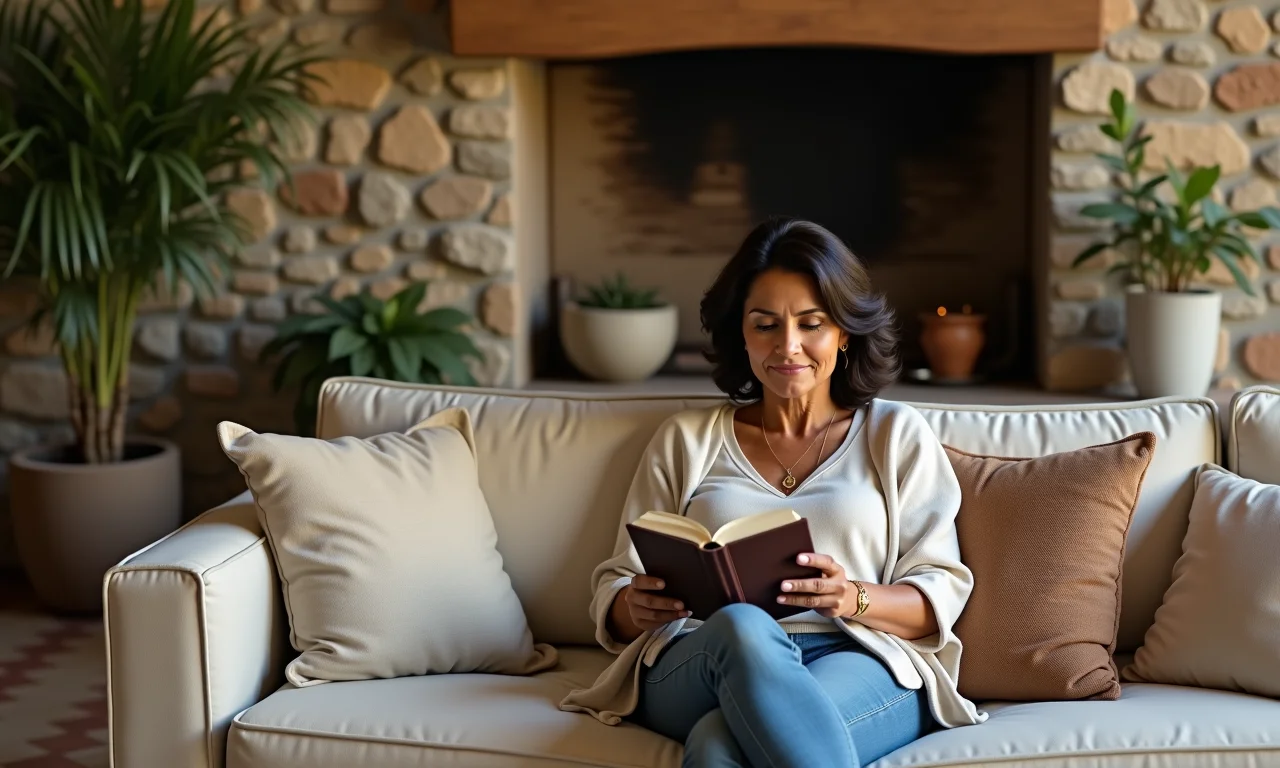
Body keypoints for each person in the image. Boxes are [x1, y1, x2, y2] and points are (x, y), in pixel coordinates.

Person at [560, 217, 987, 767]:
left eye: (812, 324)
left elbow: (940, 591)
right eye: (766, 325)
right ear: (741, 333)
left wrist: (850, 596)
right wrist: (632, 605)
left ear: (844, 333)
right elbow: (614, 586)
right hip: (702, 656)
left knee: (718, 746)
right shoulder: (686, 441)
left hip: (855, 655)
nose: (788, 347)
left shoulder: (894, 434)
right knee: (741, 625)